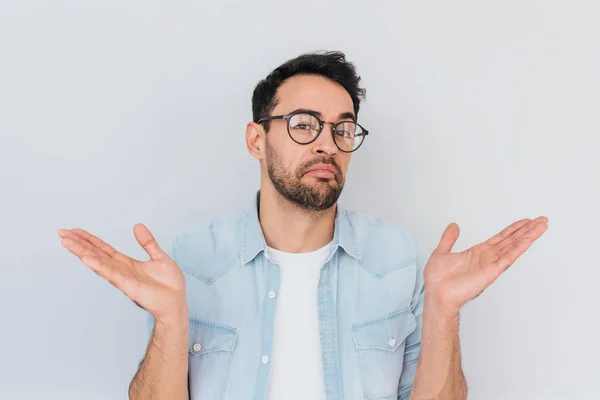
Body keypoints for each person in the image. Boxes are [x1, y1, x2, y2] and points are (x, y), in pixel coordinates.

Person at [58, 51, 548, 400]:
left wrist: (443, 309)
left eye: (343, 128)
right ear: (256, 139)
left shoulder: (400, 259)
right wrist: (169, 322)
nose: (327, 144)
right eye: (303, 123)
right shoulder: (189, 261)